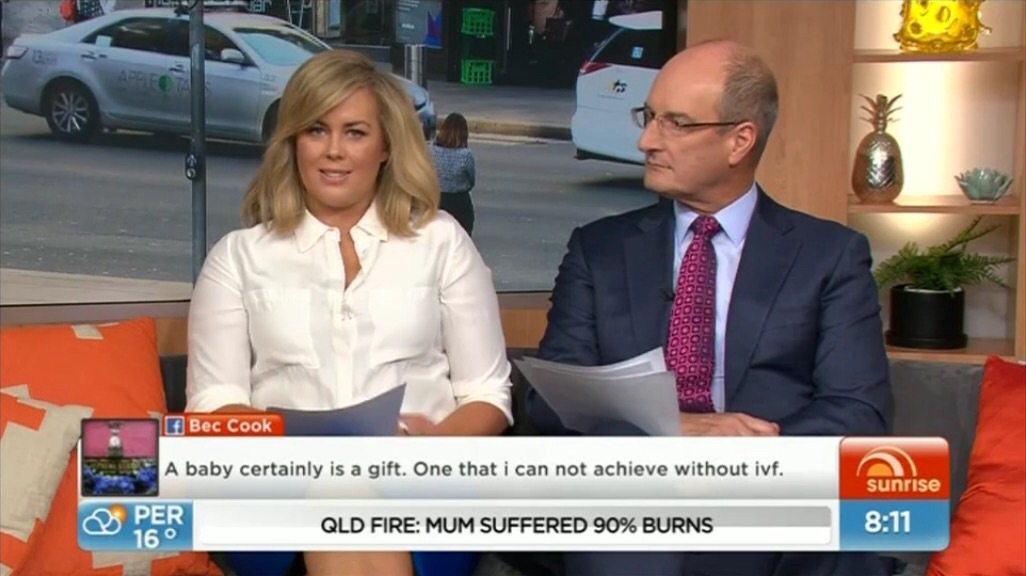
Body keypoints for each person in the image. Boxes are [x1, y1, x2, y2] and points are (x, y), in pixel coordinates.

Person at [525, 39, 892, 576]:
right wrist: (675, 429)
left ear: (740, 140)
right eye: (649, 117)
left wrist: (738, 454)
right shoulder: (599, 250)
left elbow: (858, 411)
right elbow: (550, 398)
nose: (647, 140)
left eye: (675, 123)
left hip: (766, 498)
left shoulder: (828, 256)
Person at [185, 50, 513, 576]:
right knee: (339, 487)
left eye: (355, 132)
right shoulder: (238, 257)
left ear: (385, 148)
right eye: (316, 130)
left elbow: (488, 395)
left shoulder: (442, 242)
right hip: (279, 491)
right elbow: (212, 405)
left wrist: (433, 447)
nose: (333, 150)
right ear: (293, 142)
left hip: (425, 486)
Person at [429, 112, 477, 235]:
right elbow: (471, 181)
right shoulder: (466, 155)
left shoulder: (431, 152)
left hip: (437, 200)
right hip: (460, 202)